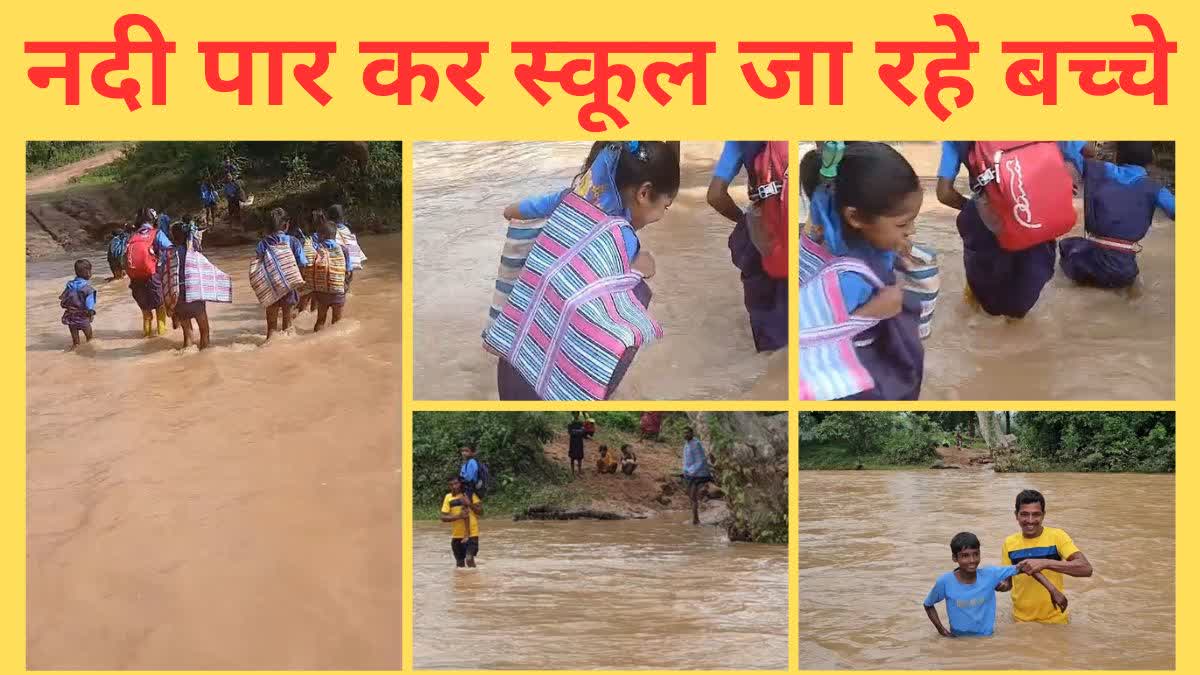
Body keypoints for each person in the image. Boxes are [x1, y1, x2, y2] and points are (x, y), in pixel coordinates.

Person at [493, 141, 679, 400]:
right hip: (553, 382)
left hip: (514, 359)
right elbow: (610, 311)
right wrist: (643, 265)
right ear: (645, 193)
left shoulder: (566, 200)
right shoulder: (621, 239)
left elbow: (510, 211)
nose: (662, 214)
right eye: (665, 206)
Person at [801, 142, 924, 400]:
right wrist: (873, 311)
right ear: (855, 218)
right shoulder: (847, 281)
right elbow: (811, 338)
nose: (911, 231)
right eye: (903, 223)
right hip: (856, 370)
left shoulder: (829, 211)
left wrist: (896, 247)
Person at [936, 141, 1086, 318]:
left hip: (989, 221)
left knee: (984, 307)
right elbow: (1083, 154)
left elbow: (944, 193)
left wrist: (974, 207)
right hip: (1035, 215)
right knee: (1022, 302)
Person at [1059, 141, 1176, 289]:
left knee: (1066, 245)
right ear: (1151, 159)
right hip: (1124, 272)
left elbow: (1068, 148)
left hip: (1089, 264)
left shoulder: (1095, 169)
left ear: (1116, 155)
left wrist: (1083, 146)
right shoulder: (1156, 189)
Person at [706, 141, 787, 352]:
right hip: (794, 238)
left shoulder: (740, 138)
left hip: (762, 241)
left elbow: (715, 195)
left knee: (769, 342)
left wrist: (744, 221)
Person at [923, 532, 1064, 638]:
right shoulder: (945, 582)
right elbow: (928, 604)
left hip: (988, 640)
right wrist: (942, 631)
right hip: (958, 641)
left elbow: (1026, 566)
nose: (972, 560)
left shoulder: (990, 575)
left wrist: (1053, 590)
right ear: (955, 558)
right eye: (965, 555)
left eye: (975, 554)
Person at [999, 490, 1093, 624]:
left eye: (1036, 514)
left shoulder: (1058, 536)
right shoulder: (1009, 543)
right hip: (1020, 623)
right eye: (1024, 514)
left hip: (1056, 621)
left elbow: (1086, 569)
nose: (1030, 520)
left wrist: (1045, 563)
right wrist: (998, 584)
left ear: (1043, 515)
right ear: (1016, 515)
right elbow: (1007, 583)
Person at [256, 207, 308, 339]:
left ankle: (270, 346)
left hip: (270, 289)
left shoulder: (263, 244)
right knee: (288, 324)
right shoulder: (294, 242)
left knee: (271, 327)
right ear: (286, 225)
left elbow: (259, 266)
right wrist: (299, 282)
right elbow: (302, 263)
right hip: (289, 288)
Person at [125, 207, 172, 338]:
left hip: (135, 278)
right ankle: (161, 336)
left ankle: (146, 336)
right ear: (153, 220)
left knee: (145, 310)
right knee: (160, 305)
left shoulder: (133, 236)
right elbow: (170, 248)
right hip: (153, 275)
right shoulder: (156, 233)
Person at [165, 222, 213, 349]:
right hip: (194, 295)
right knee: (204, 331)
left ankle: (186, 356)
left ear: (173, 237)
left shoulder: (169, 254)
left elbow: (166, 277)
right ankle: (205, 356)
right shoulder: (192, 252)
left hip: (178, 298)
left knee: (188, 334)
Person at [310, 217, 352, 331]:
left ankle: (316, 343)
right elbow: (349, 271)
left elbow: (311, 268)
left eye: (318, 235)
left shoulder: (317, 249)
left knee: (320, 320)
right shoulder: (343, 249)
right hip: (338, 291)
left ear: (322, 236)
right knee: (337, 322)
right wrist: (346, 287)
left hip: (322, 292)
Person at [440, 476, 482, 569]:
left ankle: (474, 581)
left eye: (456, 483)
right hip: (456, 536)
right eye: (451, 485)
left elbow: (480, 512)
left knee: (469, 559)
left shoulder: (470, 495)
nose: (454, 486)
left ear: (460, 483)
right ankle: (463, 582)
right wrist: (458, 516)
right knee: (460, 565)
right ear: (449, 486)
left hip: (472, 534)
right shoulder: (448, 497)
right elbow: (443, 517)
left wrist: (469, 503)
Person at [59, 259, 96, 348]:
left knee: (75, 342)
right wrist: (91, 312)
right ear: (88, 273)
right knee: (90, 338)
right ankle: (90, 351)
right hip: (82, 317)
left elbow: (62, 298)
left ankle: (74, 349)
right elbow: (89, 303)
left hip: (70, 317)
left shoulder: (70, 285)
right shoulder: (87, 289)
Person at [681, 427, 711, 525]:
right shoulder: (687, 444)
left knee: (693, 496)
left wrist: (691, 471)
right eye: (684, 433)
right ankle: (695, 518)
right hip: (690, 473)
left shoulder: (696, 444)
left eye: (687, 433)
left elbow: (701, 460)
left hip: (698, 474)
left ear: (692, 433)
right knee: (691, 497)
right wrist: (685, 470)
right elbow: (686, 460)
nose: (685, 435)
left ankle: (696, 519)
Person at [329, 204, 366, 282]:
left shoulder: (329, 229)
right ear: (342, 216)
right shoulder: (346, 229)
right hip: (351, 262)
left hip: (340, 262)